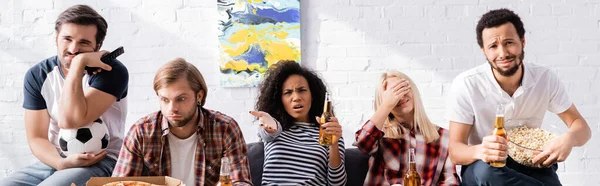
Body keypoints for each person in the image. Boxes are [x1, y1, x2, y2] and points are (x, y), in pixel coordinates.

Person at [446, 8, 591, 186]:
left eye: (509, 42)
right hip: (485, 166)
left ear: (522, 41)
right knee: (487, 173)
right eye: (493, 46)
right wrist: (481, 151)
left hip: (531, 163)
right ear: (484, 51)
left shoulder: (544, 79)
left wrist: (569, 139)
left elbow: (582, 127)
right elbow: (455, 150)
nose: (503, 53)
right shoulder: (467, 84)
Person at [0, 5, 129, 186]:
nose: (73, 48)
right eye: (67, 39)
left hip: (101, 161)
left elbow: (71, 120)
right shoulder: (38, 75)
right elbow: (37, 137)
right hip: (56, 159)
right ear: (56, 39)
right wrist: (60, 162)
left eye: (84, 43)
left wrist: (78, 64)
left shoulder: (112, 71)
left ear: (98, 46)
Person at [112, 58, 252, 186]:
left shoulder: (225, 129)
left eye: (181, 99)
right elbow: (120, 184)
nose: (172, 109)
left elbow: (241, 182)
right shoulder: (141, 132)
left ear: (199, 96)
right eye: (165, 100)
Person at [354, 70, 460, 185]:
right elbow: (362, 143)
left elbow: (451, 181)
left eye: (402, 88)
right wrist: (387, 105)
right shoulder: (379, 133)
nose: (400, 97)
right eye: (393, 94)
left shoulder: (444, 137)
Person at [250, 60, 347, 185]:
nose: (296, 98)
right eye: (288, 92)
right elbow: (268, 132)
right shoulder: (274, 130)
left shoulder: (328, 132)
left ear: (312, 95)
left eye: (302, 90)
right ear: (280, 100)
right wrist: (271, 125)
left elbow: (337, 184)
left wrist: (333, 144)